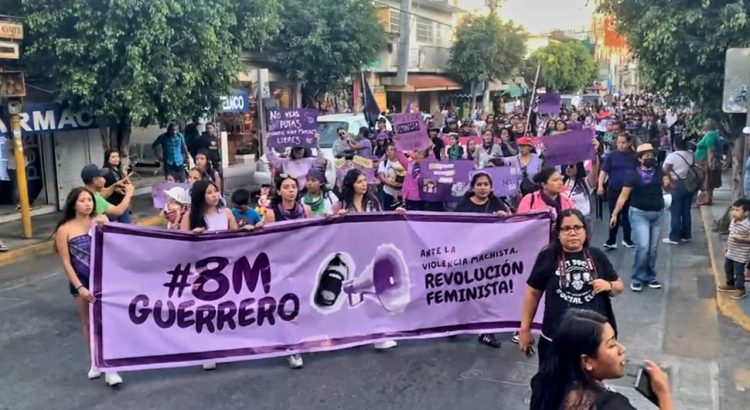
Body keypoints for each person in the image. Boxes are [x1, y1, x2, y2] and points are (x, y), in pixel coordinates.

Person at [519, 209, 624, 368]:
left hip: (591, 340)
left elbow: (619, 287)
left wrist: (608, 285)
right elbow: (533, 293)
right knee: (551, 386)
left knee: (589, 388)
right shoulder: (548, 257)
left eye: (577, 227)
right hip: (554, 338)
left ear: (585, 230)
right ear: (558, 233)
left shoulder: (597, 255)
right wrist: (524, 330)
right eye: (566, 229)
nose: (572, 233)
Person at [529, 309, 673, 410]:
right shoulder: (612, 406)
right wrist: (663, 394)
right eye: (611, 345)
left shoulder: (543, 384)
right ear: (587, 361)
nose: (622, 349)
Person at [53, 187, 123, 387]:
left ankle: (110, 367)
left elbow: (116, 247)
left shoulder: (100, 220)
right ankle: (95, 361)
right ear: (73, 204)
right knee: (88, 323)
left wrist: (106, 227)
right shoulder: (64, 229)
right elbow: (66, 262)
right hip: (81, 282)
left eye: (90, 200)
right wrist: (80, 287)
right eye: (83, 200)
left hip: (104, 280)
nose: (88, 204)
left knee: (105, 323)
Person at [454, 171, 510, 348]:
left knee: (489, 292)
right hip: (467, 256)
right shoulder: (463, 205)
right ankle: (456, 324)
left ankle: (487, 332)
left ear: (491, 187)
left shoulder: (497, 203)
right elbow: (450, 226)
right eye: (479, 184)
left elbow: (511, 226)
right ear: (472, 187)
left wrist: (505, 217)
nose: (483, 188)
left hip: (490, 257)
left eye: (486, 184)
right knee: (465, 291)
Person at [610, 144, 670, 292]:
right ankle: (637, 278)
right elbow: (623, 196)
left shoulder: (659, 171)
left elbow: (668, 188)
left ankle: (650, 276)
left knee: (653, 248)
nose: (650, 159)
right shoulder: (632, 175)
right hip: (639, 213)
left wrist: (668, 183)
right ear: (640, 159)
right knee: (643, 246)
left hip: (658, 213)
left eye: (652, 156)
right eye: (647, 156)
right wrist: (615, 213)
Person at [598, 133, 637, 250]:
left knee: (627, 215)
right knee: (613, 214)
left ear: (629, 143)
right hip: (614, 189)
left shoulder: (634, 157)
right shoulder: (611, 156)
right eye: (619, 142)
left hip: (630, 190)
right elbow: (603, 171)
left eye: (623, 142)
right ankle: (611, 240)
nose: (621, 145)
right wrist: (600, 185)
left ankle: (627, 238)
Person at [662, 137, 696, 244]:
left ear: (675, 145)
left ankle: (674, 237)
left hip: (676, 184)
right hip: (689, 184)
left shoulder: (673, 156)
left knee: (675, 211)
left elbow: (665, 169)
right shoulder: (690, 154)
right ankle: (686, 235)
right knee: (686, 211)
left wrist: (670, 180)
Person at [717, 199, 750, 300]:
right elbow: (731, 235)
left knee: (739, 272)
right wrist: (728, 247)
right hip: (731, 252)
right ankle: (730, 284)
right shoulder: (733, 221)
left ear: (746, 213)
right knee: (728, 268)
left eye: (737, 210)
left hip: (740, 255)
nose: (733, 212)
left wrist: (741, 240)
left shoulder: (747, 225)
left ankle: (740, 289)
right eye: (733, 210)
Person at [695, 120, 721, 206]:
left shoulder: (710, 135)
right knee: (708, 180)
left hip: (705, 160)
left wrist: (710, 162)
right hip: (704, 159)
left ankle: (708, 199)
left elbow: (711, 149)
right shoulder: (712, 134)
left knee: (708, 180)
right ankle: (708, 197)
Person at [102, 149, 131, 223]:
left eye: (117, 156)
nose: (116, 159)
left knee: (125, 225)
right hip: (112, 203)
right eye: (113, 157)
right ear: (107, 159)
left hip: (121, 201)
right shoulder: (105, 171)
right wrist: (114, 189)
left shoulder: (118, 170)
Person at [378, 143, 405, 211]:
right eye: (387, 150)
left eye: (392, 149)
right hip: (388, 193)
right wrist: (391, 184)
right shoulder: (383, 163)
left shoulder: (404, 163)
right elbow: (381, 177)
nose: (389, 152)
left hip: (401, 195)